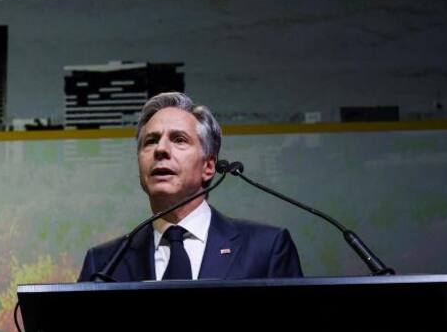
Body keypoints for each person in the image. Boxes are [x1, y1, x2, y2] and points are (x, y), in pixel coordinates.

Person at [78, 92, 303, 282]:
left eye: (179, 140)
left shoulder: (266, 248)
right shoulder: (104, 263)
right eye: (151, 141)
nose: (160, 150)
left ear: (208, 166)